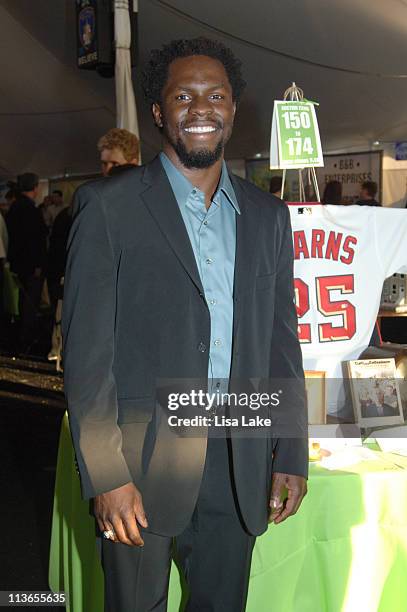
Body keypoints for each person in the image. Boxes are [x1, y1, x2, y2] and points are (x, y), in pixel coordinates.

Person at [63, 37, 308, 612]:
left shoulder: (268, 216)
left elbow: (281, 343)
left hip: (238, 449)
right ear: (159, 112)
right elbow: (87, 354)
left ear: (233, 108)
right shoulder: (107, 205)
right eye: (184, 96)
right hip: (138, 463)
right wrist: (105, 475)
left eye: (216, 96)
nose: (201, 108)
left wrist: (290, 452)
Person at [6, 172, 47, 352]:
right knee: (30, 303)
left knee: (21, 302)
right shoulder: (31, 210)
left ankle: (18, 337)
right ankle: (27, 340)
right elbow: (36, 240)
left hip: (17, 264)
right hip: (31, 266)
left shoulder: (13, 209)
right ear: (35, 188)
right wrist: (38, 265)